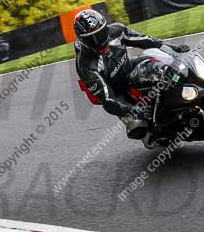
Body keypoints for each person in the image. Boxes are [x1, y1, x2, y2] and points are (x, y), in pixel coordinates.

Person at [73, 9, 190, 140]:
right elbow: (107, 100)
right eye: (92, 39)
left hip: (128, 68)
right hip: (118, 93)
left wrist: (173, 47)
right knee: (138, 127)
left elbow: (147, 40)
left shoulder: (117, 31)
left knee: (164, 63)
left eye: (101, 33)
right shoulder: (86, 65)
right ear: (83, 40)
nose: (99, 40)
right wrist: (134, 110)